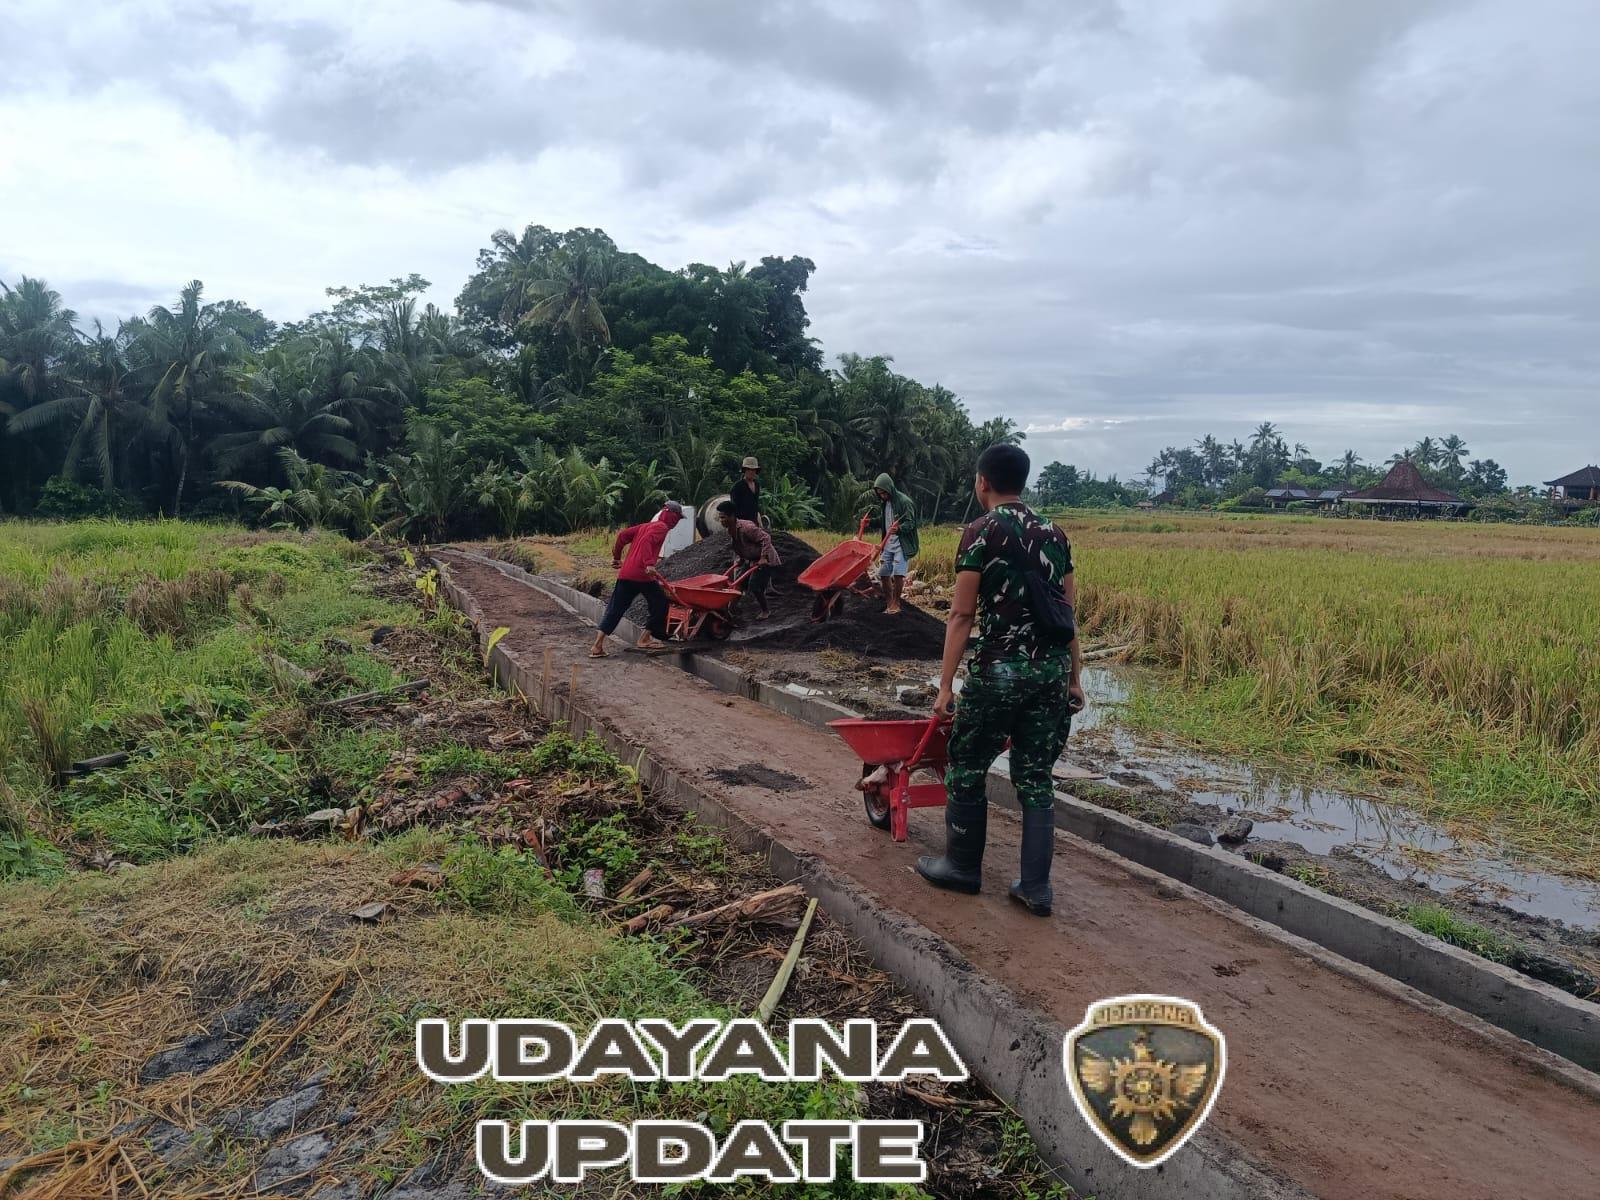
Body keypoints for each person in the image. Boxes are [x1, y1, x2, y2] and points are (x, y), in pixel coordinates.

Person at [914, 444, 1084, 918]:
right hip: (1050, 675)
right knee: (1035, 775)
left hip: (999, 673)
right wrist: (1074, 679)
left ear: (982, 482)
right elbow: (1066, 614)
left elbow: (961, 615)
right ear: (1023, 482)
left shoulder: (980, 531)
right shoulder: (1055, 534)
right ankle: (1036, 888)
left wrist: (945, 686)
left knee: (968, 763)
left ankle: (961, 867)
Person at [589, 502, 686, 658]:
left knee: (615, 608)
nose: (676, 522)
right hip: (643, 575)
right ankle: (644, 639)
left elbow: (622, 536)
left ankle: (597, 646)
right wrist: (648, 564)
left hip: (626, 574)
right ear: (672, 516)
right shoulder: (661, 527)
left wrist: (616, 557)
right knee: (660, 604)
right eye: (677, 518)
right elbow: (647, 541)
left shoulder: (646, 526)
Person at [715, 500, 781, 618]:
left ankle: (765, 611)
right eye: (720, 518)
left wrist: (763, 558)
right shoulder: (731, 529)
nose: (721, 521)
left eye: (723, 517)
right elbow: (740, 544)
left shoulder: (747, 528)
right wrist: (741, 558)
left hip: (765, 559)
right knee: (739, 584)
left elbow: (766, 538)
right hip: (751, 559)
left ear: (732, 516)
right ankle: (731, 610)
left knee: (754, 586)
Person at [869, 472, 919, 614]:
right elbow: (883, 520)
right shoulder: (885, 504)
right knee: (884, 574)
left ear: (889, 488)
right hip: (887, 544)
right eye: (880, 494)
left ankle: (897, 603)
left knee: (898, 573)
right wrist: (870, 522)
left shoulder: (905, 502)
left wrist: (898, 529)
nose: (883, 496)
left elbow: (910, 523)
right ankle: (889, 603)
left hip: (901, 545)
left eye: (884, 493)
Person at [729, 457, 762, 523]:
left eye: (753, 470)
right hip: (742, 522)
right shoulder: (737, 486)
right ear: (744, 470)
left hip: (753, 522)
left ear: (756, 471)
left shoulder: (757, 484)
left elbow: (756, 504)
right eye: (748, 469)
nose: (751, 472)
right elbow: (734, 507)